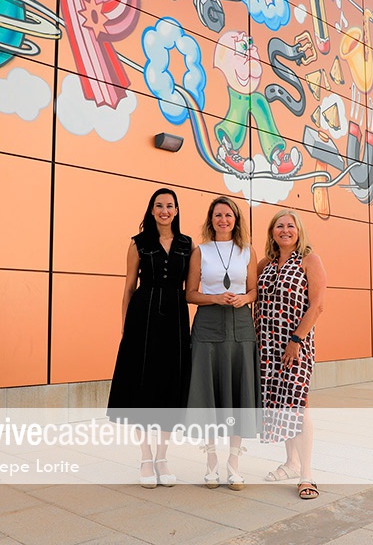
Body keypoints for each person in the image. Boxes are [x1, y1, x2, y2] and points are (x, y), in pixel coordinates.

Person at [107, 188, 192, 488]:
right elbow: (129, 287)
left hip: (176, 321)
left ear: (176, 210)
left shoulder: (187, 245)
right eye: (159, 205)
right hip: (142, 319)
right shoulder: (138, 243)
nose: (164, 211)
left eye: (169, 206)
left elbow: (192, 286)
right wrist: (125, 327)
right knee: (142, 384)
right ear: (152, 210)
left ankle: (162, 457)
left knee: (170, 384)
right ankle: (145, 456)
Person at [186, 196, 261, 490]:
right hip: (207, 327)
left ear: (236, 219)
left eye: (228, 215)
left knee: (238, 392)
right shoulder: (200, 251)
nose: (223, 220)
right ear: (211, 220)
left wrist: (244, 298)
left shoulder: (247, 251)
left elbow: (253, 290)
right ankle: (211, 461)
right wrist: (215, 298)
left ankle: (233, 464)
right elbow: (190, 293)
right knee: (208, 392)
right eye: (218, 215)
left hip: (240, 326)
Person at [255, 209, 326, 499]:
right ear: (272, 232)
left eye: (290, 226)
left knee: (298, 404)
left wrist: (296, 339)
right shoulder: (264, 264)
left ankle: (306, 474)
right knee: (280, 404)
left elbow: (317, 305)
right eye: (279, 226)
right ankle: (291, 463)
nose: (285, 230)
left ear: (299, 231)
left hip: (296, 345)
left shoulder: (310, 260)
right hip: (266, 346)